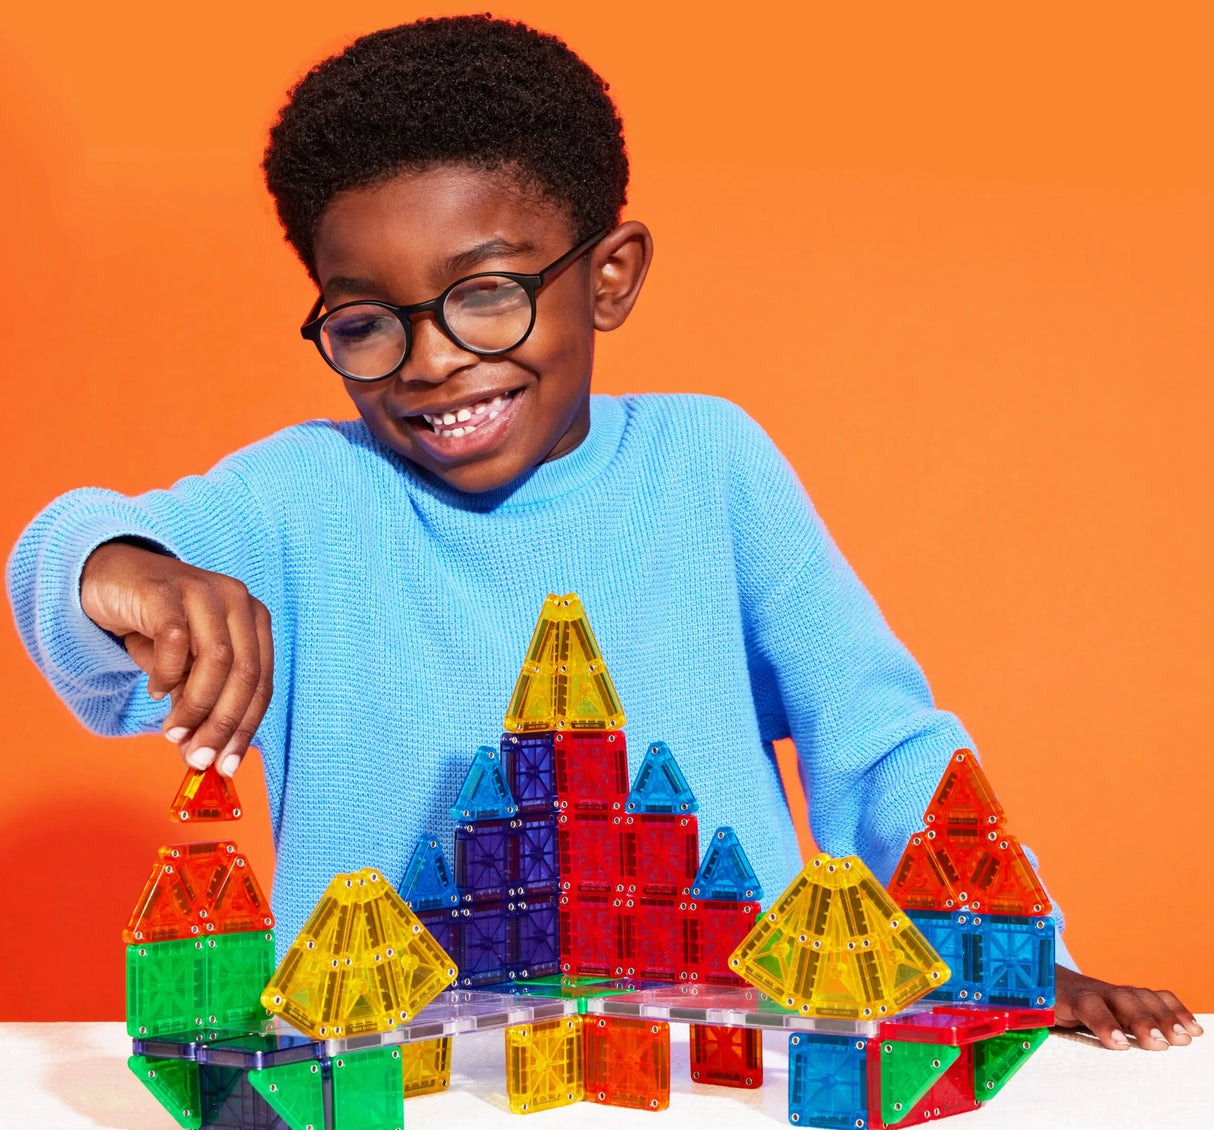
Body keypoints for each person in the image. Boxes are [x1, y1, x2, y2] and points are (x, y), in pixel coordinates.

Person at [6, 15, 1199, 1050]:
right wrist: (131, 573)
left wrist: (1011, 949)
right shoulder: (299, 494)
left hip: (728, 1075)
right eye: (365, 319)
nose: (430, 361)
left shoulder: (708, 461)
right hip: (411, 1095)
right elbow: (61, 561)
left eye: (486, 291)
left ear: (610, 276)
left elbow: (877, 738)